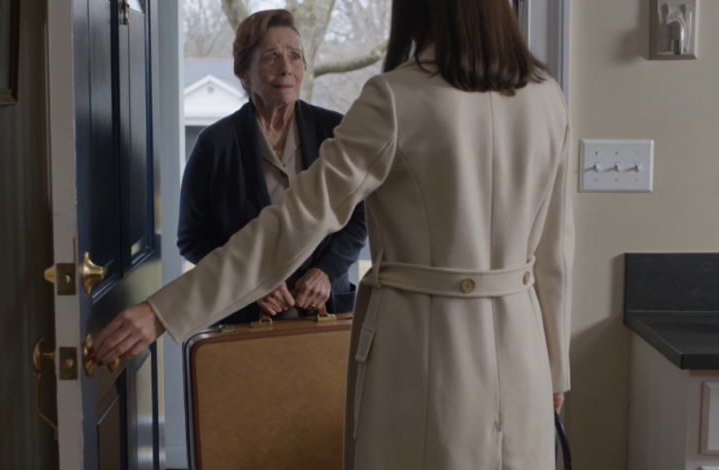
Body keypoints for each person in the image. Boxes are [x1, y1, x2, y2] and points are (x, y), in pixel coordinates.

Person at [92, 0, 575, 467]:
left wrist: (165, 310)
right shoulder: (547, 95)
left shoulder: (395, 97)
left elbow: (293, 224)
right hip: (524, 354)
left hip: (426, 356)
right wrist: (556, 369)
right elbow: (555, 254)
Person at [178, 10, 367, 324]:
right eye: (271, 58)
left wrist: (326, 271)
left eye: (295, 56)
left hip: (328, 311)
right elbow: (191, 238)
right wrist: (247, 283)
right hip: (244, 318)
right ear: (244, 73)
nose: (286, 68)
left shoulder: (334, 131)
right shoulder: (214, 144)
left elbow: (360, 216)